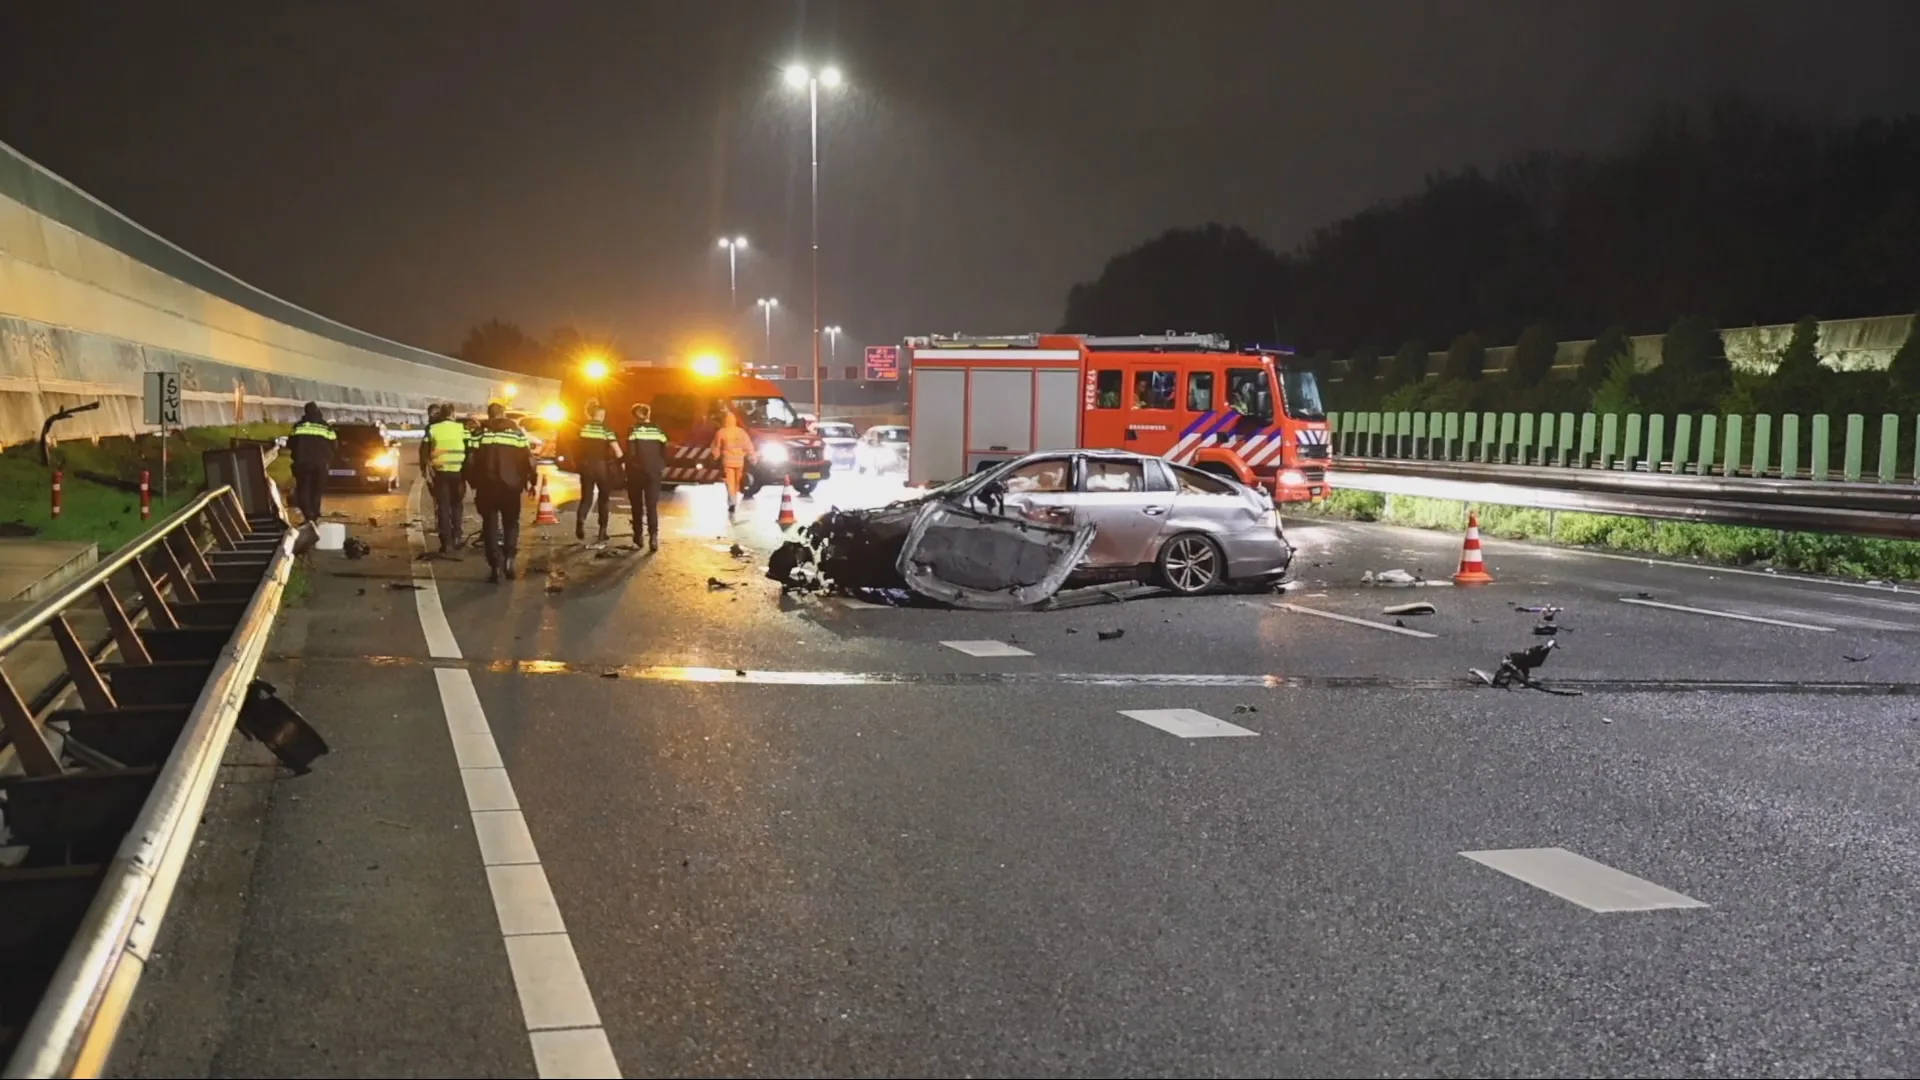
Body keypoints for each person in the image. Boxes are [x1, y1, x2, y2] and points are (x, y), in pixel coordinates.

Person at [463, 401, 535, 583]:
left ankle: (495, 565)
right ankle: (509, 560)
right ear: (503, 414)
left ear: (489, 415)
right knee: (511, 524)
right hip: (511, 487)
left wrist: (472, 482)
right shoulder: (517, 434)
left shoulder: (480, 433)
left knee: (490, 525)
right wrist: (532, 482)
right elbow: (529, 459)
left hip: (487, 487)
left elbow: (470, 459)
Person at [573, 401, 622, 543]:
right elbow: (618, 451)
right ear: (600, 415)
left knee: (586, 497)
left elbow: (576, 447)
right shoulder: (606, 430)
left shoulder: (583, 428)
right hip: (602, 467)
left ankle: (581, 519)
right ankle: (602, 531)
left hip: (586, 466)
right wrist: (622, 465)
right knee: (603, 499)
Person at [424, 404, 470, 555]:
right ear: (453, 414)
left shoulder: (433, 429)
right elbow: (469, 450)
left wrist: (426, 472)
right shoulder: (461, 429)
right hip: (458, 473)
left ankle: (446, 543)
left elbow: (424, 451)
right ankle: (457, 537)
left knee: (443, 507)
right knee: (456, 505)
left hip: (440, 473)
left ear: (441, 414)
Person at [624, 403, 668, 552]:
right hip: (654, 472)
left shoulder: (633, 430)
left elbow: (630, 453)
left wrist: (626, 466)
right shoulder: (659, 430)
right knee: (651, 506)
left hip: (636, 473)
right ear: (648, 414)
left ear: (635, 416)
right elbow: (664, 451)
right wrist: (660, 465)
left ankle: (638, 537)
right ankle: (653, 538)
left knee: (636, 505)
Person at [287, 401, 337, 523]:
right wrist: (328, 457)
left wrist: (297, 454)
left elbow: (290, 443)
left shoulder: (299, 426)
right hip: (321, 463)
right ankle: (314, 514)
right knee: (317, 489)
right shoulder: (325, 427)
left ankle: (307, 514)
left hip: (303, 462)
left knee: (304, 489)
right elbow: (334, 445)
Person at [709, 410, 757, 521]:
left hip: (727, 463)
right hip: (739, 462)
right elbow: (748, 446)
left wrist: (714, 457)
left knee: (730, 483)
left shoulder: (721, 432)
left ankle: (732, 503)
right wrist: (752, 457)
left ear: (725, 421)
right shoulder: (741, 432)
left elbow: (716, 447)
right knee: (737, 483)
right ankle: (734, 500)